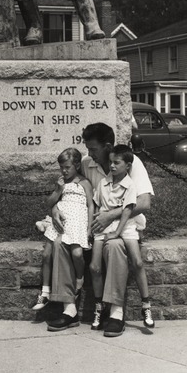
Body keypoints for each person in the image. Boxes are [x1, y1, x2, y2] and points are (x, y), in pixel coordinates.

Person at [48, 122, 154, 337]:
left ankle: (115, 313)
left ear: (107, 146)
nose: (90, 154)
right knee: (60, 242)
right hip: (95, 229)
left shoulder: (132, 163)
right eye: (87, 149)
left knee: (114, 246)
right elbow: (65, 187)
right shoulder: (87, 164)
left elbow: (144, 203)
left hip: (123, 228)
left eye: (94, 149)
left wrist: (110, 215)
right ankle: (69, 310)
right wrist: (54, 208)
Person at [91, 144, 154, 333]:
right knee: (94, 267)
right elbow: (96, 205)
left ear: (128, 166)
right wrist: (91, 228)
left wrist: (117, 232)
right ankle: (99, 307)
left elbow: (127, 212)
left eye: (116, 163)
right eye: (110, 162)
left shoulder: (130, 185)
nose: (111, 166)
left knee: (137, 262)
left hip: (124, 225)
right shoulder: (103, 183)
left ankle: (146, 306)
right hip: (103, 225)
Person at [33, 148, 94, 330]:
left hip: (78, 223)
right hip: (62, 223)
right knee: (48, 253)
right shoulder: (61, 183)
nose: (64, 171)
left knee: (77, 254)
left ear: (76, 165)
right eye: (61, 167)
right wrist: (58, 190)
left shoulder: (84, 183)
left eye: (67, 167)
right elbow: (50, 202)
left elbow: (91, 205)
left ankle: (79, 281)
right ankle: (46, 292)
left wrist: (89, 227)